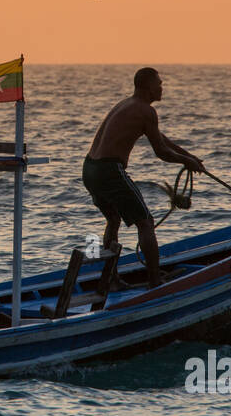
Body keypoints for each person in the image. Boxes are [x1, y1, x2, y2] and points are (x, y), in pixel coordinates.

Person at [82, 67, 205, 288]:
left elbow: (161, 139)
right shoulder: (145, 111)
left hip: (90, 169)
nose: (162, 87)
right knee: (145, 222)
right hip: (109, 170)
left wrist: (190, 156)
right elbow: (161, 152)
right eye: (159, 83)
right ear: (148, 87)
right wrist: (186, 162)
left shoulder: (129, 105)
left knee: (113, 219)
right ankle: (154, 281)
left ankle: (112, 280)